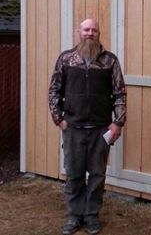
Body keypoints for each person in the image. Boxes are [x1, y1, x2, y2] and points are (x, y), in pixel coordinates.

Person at [48, 18, 126, 235]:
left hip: (100, 129)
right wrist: (58, 119)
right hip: (72, 128)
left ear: (99, 33)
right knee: (73, 174)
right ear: (79, 32)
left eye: (94, 30)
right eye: (86, 29)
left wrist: (117, 122)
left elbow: (119, 93)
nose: (90, 33)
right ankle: (74, 216)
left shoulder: (109, 61)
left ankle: (91, 216)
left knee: (97, 175)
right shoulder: (66, 59)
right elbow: (54, 90)